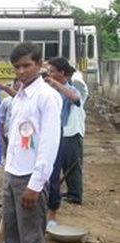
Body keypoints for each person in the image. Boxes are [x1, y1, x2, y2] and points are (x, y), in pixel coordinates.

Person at [0, 42, 61, 243]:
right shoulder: (18, 97)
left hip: (31, 179)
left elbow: (48, 144)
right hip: (11, 175)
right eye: (17, 67)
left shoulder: (46, 97)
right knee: (12, 242)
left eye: (26, 66)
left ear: (39, 64)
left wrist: (36, 184)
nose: (21, 71)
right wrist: (8, 174)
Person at [42, 57, 82, 227]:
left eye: (52, 71)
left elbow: (76, 99)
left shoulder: (70, 89)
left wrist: (54, 84)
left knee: (53, 174)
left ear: (62, 73)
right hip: (41, 134)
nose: (49, 74)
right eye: (48, 71)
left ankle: (52, 212)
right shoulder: (43, 89)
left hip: (57, 134)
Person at [62, 71, 88, 204]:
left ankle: (76, 195)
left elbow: (78, 80)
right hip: (65, 132)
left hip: (74, 132)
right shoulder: (64, 94)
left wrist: (71, 75)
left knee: (74, 164)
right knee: (66, 164)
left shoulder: (78, 92)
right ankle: (71, 190)